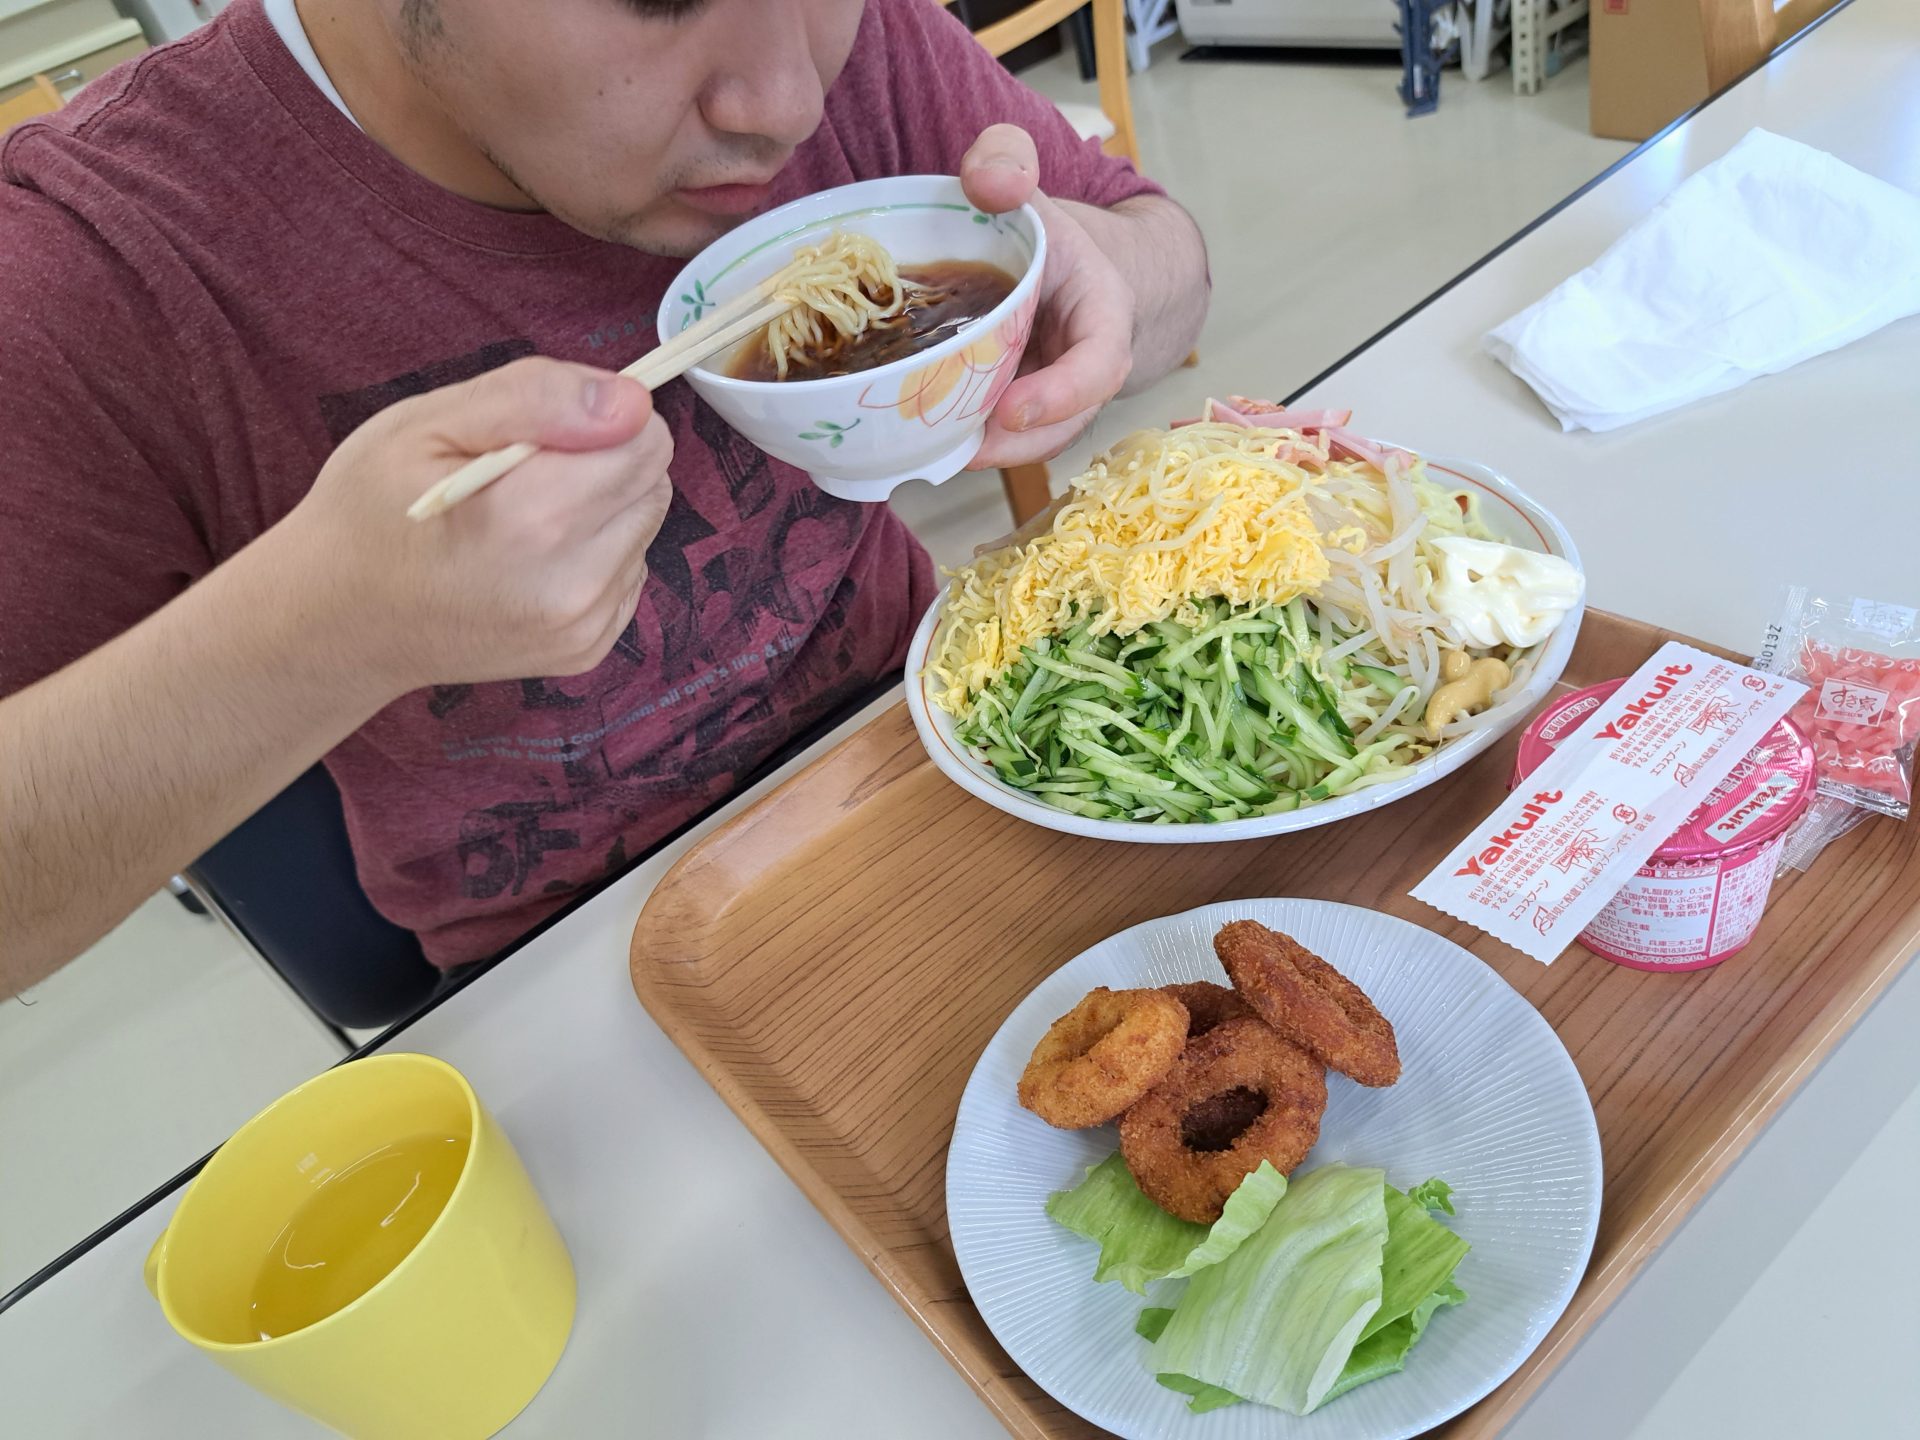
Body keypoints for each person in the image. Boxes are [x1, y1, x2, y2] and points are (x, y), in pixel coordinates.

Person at [0, 0, 1210, 992]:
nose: (787, 102)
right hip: (573, 960)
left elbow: (1171, 260)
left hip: (951, 751)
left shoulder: (858, 38)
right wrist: (328, 629)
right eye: (658, 0)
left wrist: (1099, 273)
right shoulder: (95, 263)